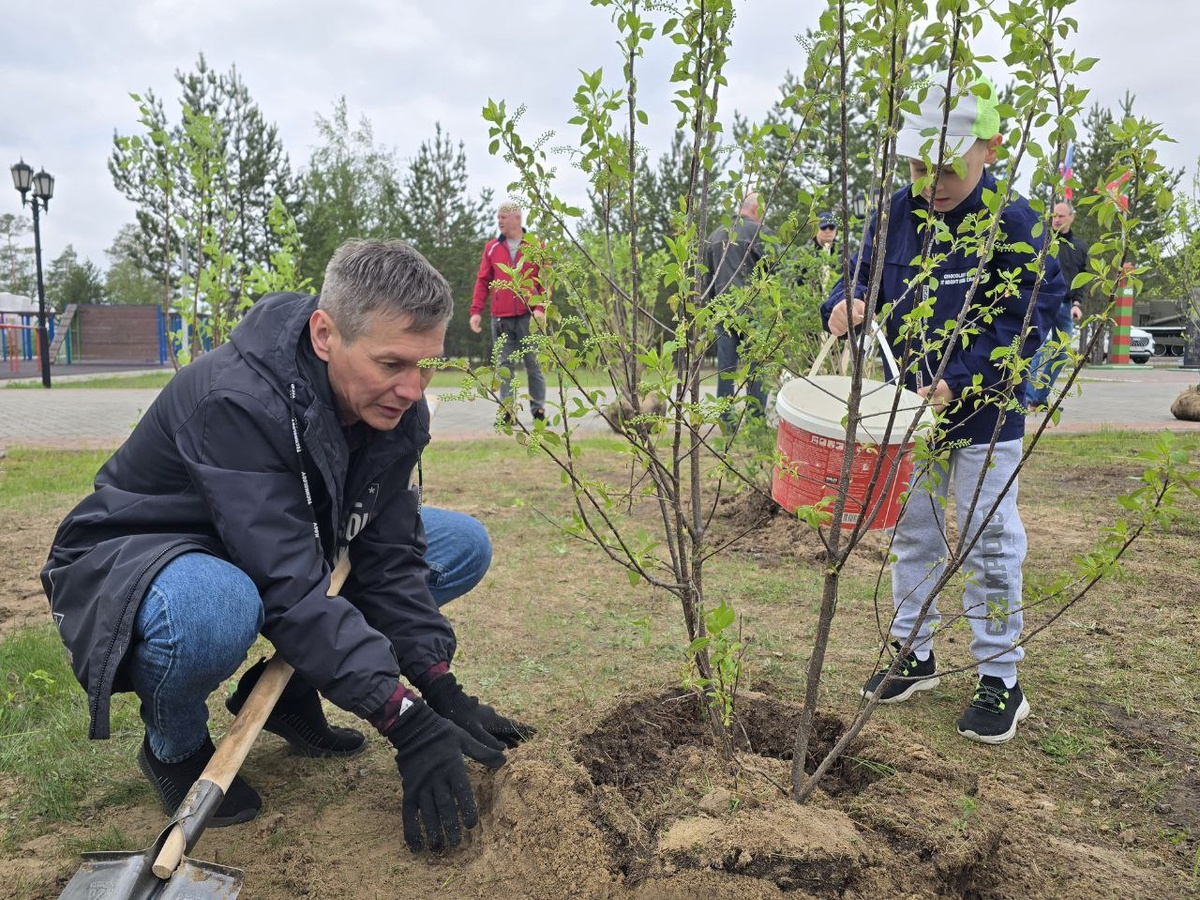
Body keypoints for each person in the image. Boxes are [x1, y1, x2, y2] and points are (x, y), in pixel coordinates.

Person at [42, 239, 532, 852]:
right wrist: (401, 719)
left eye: (426, 364)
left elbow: (388, 553)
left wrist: (438, 686)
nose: (412, 388)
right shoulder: (238, 400)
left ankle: (290, 693)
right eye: (391, 364)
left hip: (274, 541)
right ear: (325, 334)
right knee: (215, 606)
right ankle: (174, 745)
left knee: (458, 544)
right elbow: (287, 583)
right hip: (150, 553)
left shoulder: (397, 410)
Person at [821, 73, 1065, 744]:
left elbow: (1029, 318)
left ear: (987, 149)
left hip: (986, 412)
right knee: (914, 532)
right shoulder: (897, 214)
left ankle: (1000, 677)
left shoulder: (1014, 221)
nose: (932, 178)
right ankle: (913, 650)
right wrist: (844, 302)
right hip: (909, 414)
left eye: (948, 164)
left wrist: (962, 379)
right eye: (918, 163)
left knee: (990, 538)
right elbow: (860, 270)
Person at [470, 203, 548, 424]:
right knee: (504, 366)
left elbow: (546, 281)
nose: (500, 221)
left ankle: (538, 411)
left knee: (534, 364)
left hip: (529, 317)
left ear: (517, 218)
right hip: (501, 318)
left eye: (504, 217)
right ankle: (507, 412)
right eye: (498, 217)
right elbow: (483, 281)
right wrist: (476, 311)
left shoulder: (536, 246)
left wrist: (541, 308)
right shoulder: (492, 248)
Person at [704, 191, 773, 427]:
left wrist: (713, 310)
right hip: (755, 312)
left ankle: (726, 421)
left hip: (724, 312)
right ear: (757, 210)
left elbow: (707, 281)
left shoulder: (715, 235)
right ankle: (755, 422)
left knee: (726, 369)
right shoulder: (759, 232)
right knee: (757, 368)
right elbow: (776, 270)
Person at [1024, 200, 1089, 410]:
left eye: (1061, 216)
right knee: (1038, 348)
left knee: (1061, 353)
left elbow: (1081, 278)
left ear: (1071, 217)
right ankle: (1026, 399)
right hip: (1043, 302)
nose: (1056, 220)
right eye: (1053, 216)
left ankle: (1040, 399)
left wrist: (1077, 303)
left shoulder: (1079, 247)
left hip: (1065, 305)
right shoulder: (1044, 241)